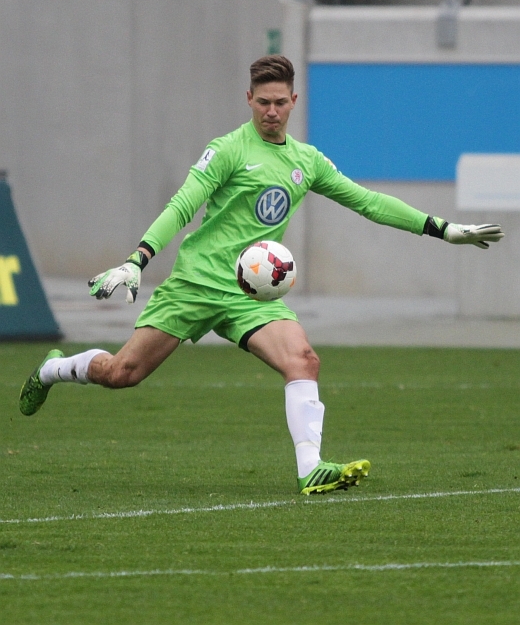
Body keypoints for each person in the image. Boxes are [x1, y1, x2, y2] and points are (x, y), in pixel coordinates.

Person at [19, 55, 504, 495]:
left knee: (304, 360)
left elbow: (369, 202)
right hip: (196, 284)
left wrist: (443, 229)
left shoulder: (306, 161)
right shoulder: (228, 149)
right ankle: (53, 369)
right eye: (263, 102)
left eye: (280, 103)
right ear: (249, 99)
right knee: (122, 374)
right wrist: (137, 259)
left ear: (294, 101)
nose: (272, 111)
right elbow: (183, 204)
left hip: (251, 293)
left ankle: (311, 469)